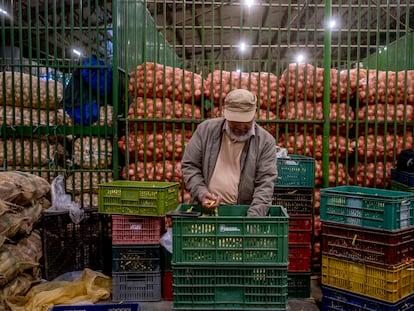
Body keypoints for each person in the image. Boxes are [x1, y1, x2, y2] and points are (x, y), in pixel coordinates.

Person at [181, 88, 277, 216]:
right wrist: (201, 192)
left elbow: (265, 183)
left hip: (242, 213)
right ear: (225, 113)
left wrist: (253, 219)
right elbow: (190, 165)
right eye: (235, 122)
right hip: (204, 212)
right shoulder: (206, 130)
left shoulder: (265, 142)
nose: (240, 127)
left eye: (245, 122)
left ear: (255, 113)